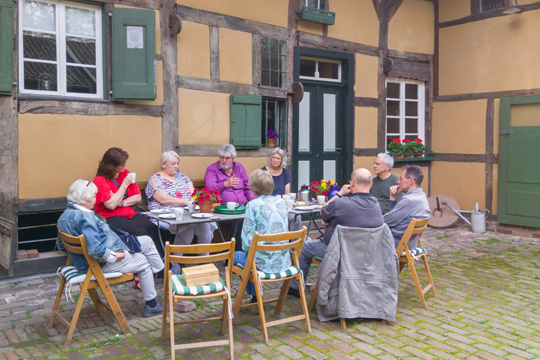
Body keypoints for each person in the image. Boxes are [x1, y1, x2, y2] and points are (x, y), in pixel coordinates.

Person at [57, 179, 164, 318]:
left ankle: (162, 273)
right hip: (97, 264)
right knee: (144, 261)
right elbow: (96, 249)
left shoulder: (64, 215)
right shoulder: (85, 218)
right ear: (85, 199)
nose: (95, 199)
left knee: (147, 241)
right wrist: (113, 256)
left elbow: (60, 245)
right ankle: (152, 304)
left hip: (89, 259)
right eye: (94, 196)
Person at [288, 168, 384, 298]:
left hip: (337, 251)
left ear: (353, 183)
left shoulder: (341, 203)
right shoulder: (376, 205)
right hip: (365, 253)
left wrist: (339, 194)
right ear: (371, 184)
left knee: (303, 249)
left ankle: (295, 288)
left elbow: (323, 211)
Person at [93, 148, 163, 256]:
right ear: (112, 165)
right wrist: (124, 185)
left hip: (129, 212)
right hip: (110, 216)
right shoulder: (100, 180)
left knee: (153, 228)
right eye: (122, 164)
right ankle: (146, 264)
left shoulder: (125, 173)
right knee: (140, 232)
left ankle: (164, 263)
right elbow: (110, 206)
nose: (125, 166)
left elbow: (137, 197)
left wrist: (119, 202)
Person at [232, 169, 289, 303]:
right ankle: (255, 296)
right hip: (283, 261)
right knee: (251, 257)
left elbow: (246, 244)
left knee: (235, 256)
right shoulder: (282, 203)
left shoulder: (252, 206)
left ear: (253, 188)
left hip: (262, 265)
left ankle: (254, 295)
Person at [146, 151, 215, 247]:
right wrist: (188, 202)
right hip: (166, 216)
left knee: (204, 226)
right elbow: (163, 199)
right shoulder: (156, 179)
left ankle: (204, 257)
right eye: (173, 164)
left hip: (188, 213)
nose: (176, 166)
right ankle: (175, 258)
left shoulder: (182, 177)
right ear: (163, 164)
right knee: (187, 227)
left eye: (177, 164)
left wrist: (191, 202)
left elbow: (194, 194)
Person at [204, 144, 255, 246]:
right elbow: (209, 188)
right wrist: (225, 184)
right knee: (239, 222)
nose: (224, 161)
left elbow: (247, 187)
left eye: (227, 158)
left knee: (257, 217)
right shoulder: (212, 169)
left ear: (233, 158)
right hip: (222, 211)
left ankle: (256, 252)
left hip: (241, 208)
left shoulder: (240, 167)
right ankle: (236, 256)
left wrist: (254, 202)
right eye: (222, 157)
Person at [384, 165, 430, 249]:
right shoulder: (422, 196)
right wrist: (393, 197)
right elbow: (392, 218)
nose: (398, 182)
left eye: (401, 179)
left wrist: (383, 217)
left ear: (411, 181)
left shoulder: (409, 201)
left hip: (395, 244)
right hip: (410, 243)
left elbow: (386, 222)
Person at [261, 147, 302, 231]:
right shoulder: (262, 172)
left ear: (282, 160)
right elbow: (258, 192)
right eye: (273, 157)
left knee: (297, 217)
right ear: (270, 158)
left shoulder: (285, 173)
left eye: (278, 158)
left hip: (281, 205)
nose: (275, 160)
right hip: (266, 206)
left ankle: (295, 241)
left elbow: (287, 194)